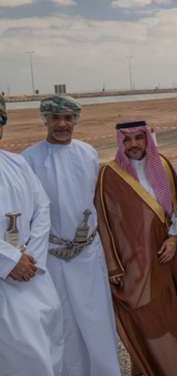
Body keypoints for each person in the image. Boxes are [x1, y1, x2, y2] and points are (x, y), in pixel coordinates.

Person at [95, 120, 177, 376]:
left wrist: (174, 239)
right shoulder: (109, 175)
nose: (133, 144)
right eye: (127, 139)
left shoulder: (162, 165)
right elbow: (104, 222)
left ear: (147, 139)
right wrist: (113, 265)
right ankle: (148, 368)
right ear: (120, 142)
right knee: (146, 319)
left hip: (169, 256)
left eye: (139, 138)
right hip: (135, 263)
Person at [22, 95, 121, 375]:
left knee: (97, 319)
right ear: (45, 120)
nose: (63, 124)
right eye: (56, 118)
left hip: (89, 255)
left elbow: (96, 203)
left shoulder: (88, 153)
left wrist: (110, 257)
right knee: (62, 321)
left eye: (68, 118)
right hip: (50, 257)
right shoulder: (28, 159)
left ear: (76, 120)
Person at [0, 94, 64, 375]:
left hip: (32, 275)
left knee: (48, 349)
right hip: (6, 279)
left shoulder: (16, 163)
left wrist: (31, 259)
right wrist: (9, 261)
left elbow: (42, 208)